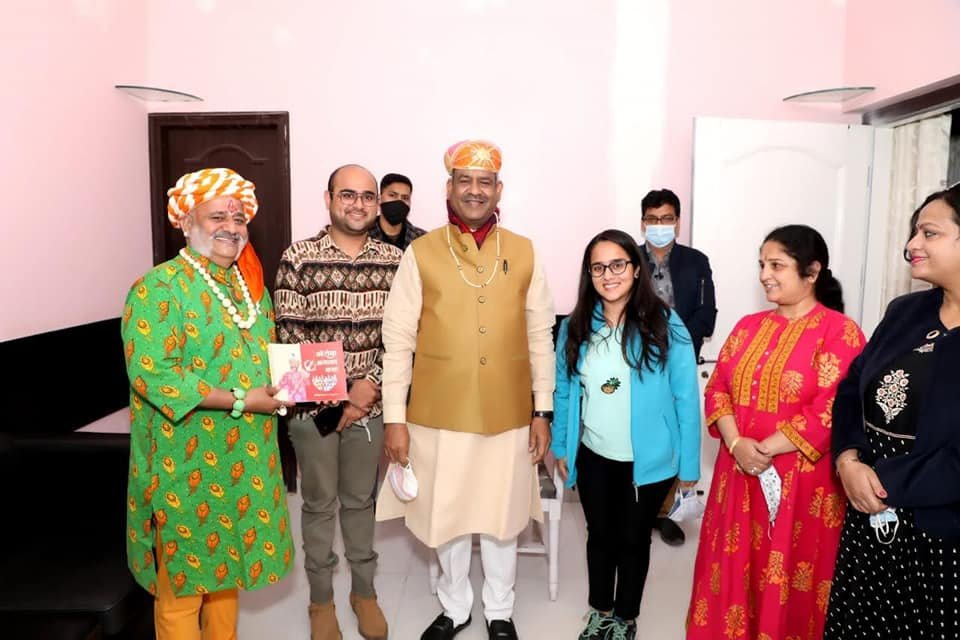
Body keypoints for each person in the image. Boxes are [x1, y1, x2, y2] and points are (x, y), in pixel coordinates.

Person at [376, 140, 555, 640]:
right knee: (447, 516)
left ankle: (500, 610)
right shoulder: (420, 253)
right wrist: (395, 419)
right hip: (437, 413)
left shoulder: (524, 250)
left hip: (508, 412)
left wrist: (543, 411)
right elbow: (397, 340)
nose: (475, 190)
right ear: (449, 188)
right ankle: (454, 608)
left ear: (499, 190)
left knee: (503, 517)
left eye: (485, 182)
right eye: (465, 180)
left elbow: (541, 336)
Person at [122, 167, 295, 639]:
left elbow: (264, 359)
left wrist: (293, 384)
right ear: (186, 222)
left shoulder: (249, 289)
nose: (231, 227)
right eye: (218, 216)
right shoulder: (157, 288)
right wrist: (242, 400)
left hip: (245, 458)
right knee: (184, 583)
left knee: (226, 572)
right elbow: (155, 375)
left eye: (239, 219)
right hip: (185, 462)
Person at [686, 224, 865, 640]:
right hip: (737, 477)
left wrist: (762, 450)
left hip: (801, 486)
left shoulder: (840, 332)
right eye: (762, 265)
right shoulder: (748, 327)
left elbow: (832, 408)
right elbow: (718, 388)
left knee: (788, 579)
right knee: (730, 576)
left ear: (812, 271)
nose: (765, 275)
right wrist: (736, 444)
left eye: (776, 265)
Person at [825, 185, 960, 639]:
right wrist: (848, 459)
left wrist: (882, 482)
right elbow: (851, 389)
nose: (912, 244)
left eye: (930, 233)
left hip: (941, 535)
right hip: (870, 514)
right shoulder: (905, 312)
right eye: (914, 232)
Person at [274, 164, 402, 640]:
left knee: (361, 502)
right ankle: (321, 601)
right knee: (319, 505)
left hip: (372, 409)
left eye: (367, 196)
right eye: (348, 194)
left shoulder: (394, 262)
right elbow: (290, 337)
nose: (358, 204)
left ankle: (364, 594)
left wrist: (369, 387)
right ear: (328, 198)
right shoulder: (298, 258)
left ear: (377, 203)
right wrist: (347, 392)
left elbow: (402, 337)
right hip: (312, 414)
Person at [553, 229, 700, 640]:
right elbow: (563, 390)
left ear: (636, 269)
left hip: (649, 461)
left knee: (634, 541)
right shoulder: (576, 326)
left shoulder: (666, 324)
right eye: (598, 267)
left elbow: (686, 397)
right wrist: (562, 445)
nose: (608, 275)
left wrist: (689, 465)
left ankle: (625, 618)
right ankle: (600, 611)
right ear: (589, 275)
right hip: (594, 456)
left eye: (617, 264)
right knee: (599, 536)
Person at [639, 188, 717, 546]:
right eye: (653, 219)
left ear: (678, 222)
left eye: (667, 218)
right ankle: (638, 507)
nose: (660, 225)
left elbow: (706, 314)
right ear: (643, 223)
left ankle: (666, 512)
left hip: (678, 359)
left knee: (676, 433)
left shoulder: (695, 261)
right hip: (636, 359)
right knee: (641, 431)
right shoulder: (630, 259)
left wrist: (679, 345)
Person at [367, 173, 426, 250]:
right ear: (379, 199)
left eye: (405, 198)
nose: (399, 201)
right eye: (392, 195)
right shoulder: (363, 235)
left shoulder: (422, 239)